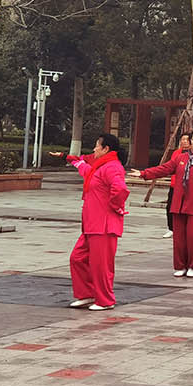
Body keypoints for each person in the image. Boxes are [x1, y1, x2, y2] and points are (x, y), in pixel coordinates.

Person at [134, 129, 193, 277]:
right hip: (179, 204)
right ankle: (180, 266)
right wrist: (144, 174)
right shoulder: (180, 158)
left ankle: (192, 266)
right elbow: (164, 169)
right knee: (179, 238)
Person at [66, 133, 130, 311]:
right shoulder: (100, 167)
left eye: (97, 146)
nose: (94, 149)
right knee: (77, 258)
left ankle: (105, 300)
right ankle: (87, 294)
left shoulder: (112, 167)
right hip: (91, 225)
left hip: (104, 225)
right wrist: (71, 160)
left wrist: (115, 207)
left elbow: (121, 189)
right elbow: (86, 171)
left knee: (101, 266)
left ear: (106, 149)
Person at [162, 132, 191, 238]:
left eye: (186, 140)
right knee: (170, 206)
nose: (184, 142)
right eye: (182, 139)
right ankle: (171, 228)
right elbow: (170, 166)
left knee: (184, 208)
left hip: (187, 187)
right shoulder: (176, 153)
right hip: (174, 185)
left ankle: (183, 229)